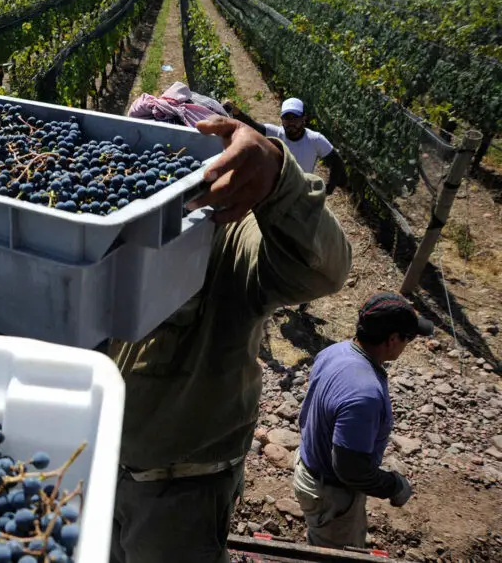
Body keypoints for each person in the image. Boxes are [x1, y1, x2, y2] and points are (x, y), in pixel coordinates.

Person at [108, 115, 352, 563]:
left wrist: (278, 178)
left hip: (179, 494)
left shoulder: (233, 230)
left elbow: (325, 269)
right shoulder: (112, 227)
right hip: (100, 472)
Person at [293, 292, 432, 550]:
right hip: (330, 493)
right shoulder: (364, 393)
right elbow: (350, 470)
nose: (408, 344)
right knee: (332, 555)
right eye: (408, 338)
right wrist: (393, 486)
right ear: (392, 340)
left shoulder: (334, 351)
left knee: (323, 539)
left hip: (309, 468)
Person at [225, 97, 347, 196]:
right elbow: (253, 126)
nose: (291, 123)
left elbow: (337, 162)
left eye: (295, 118)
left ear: (304, 118)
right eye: (286, 118)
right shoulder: (275, 133)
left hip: (300, 191)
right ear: (281, 119)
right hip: (276, 189)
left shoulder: (315, 140)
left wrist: (329, 188)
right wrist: (236, 112)